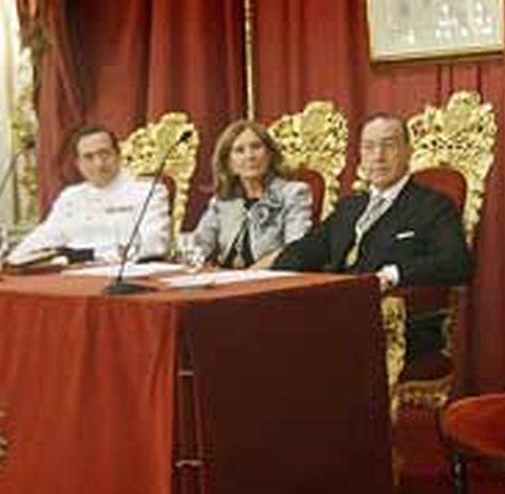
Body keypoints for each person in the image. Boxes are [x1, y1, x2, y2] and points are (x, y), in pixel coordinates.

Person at [277, 112, 471, 354]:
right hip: (331, 313)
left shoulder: (433, 205)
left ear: (408, 152)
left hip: (394, 327)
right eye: (369, 147)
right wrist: (276, 278)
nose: (378, 156)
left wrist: (393, 275)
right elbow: (307, 248)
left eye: (388, 145)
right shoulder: (350, 206)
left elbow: (456, 262)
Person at [12, 124, 170, 262]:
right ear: (78, 164)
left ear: (118, 155)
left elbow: (155, 244)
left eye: (104, 154)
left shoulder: (149, 191)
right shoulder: (70, 197)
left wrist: (91, 254)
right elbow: (45, 236)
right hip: (75, 279)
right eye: (89, 157)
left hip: (126, 277)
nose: (99, 164)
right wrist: (14, 259)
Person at [188, 119, 313, 269]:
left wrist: (251, 273)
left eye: (256, 147)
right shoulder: (222, 201)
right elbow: (199, 245)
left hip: (270, 283)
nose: (250, 156)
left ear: (269, 154)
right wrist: (202, 266)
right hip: (226, 284)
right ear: (229, 164)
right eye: (239, 150)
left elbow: (295, 247)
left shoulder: (293, 193)